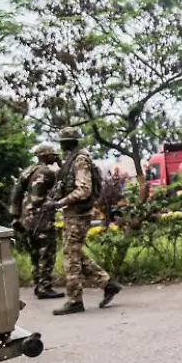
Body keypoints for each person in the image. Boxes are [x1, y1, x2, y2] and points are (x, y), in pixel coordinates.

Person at [47, 127, 122, 315]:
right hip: (74, 213)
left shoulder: (80, 160)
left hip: (78, 214)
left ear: (68, 142)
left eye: (62, 142)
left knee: (71, 257)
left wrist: (60, 203)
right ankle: (107, 283)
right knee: (74, 253)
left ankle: (75, 300)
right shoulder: (72, 158)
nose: (61, 145)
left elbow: (83, 190)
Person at [10, 143, 64, 299]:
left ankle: (38, 285)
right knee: (47, 252)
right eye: (53, 155)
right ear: (46, 156)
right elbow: (62, 186)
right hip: (42, 218)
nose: (55, 157)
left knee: (34, 253)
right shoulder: (48, 172)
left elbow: (16, 193)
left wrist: (15, 215)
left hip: (26, 217)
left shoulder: (27, 171)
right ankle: (45, 287)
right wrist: (61, 165)